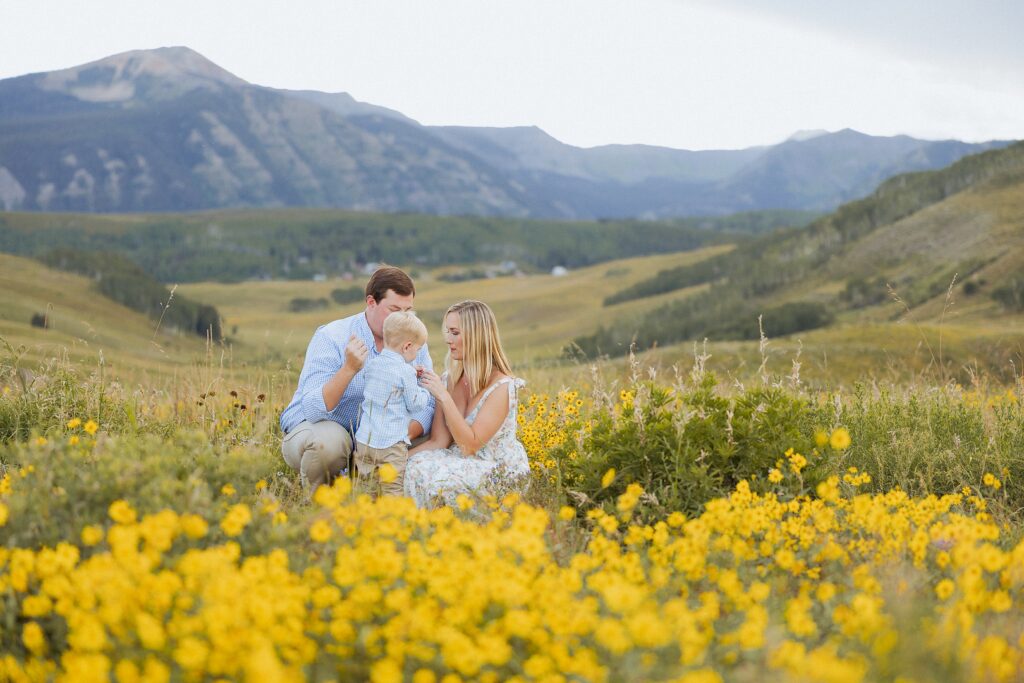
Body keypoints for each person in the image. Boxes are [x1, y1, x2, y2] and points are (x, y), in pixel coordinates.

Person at [280, 266, 434, 493]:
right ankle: (318, 506)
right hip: (324, 429)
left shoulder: (412, 340)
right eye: (394, 310)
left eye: (407, 311)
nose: (402, 319)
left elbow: (428, 403)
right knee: (329, 446)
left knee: (438, 442)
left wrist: (394, 438)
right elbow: (313, 410)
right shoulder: (332, 336)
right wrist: (349, 369)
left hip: (384, 438)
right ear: (371, 302)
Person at [404, 300, 530, 508]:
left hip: (496, 469)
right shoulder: (450, 379)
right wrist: (396, 462)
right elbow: (438, 441)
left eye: (454, 332)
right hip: (459, 462)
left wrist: (444, 397)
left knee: (437, 479)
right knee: (414, 466)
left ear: (475, 336)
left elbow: (469, 445)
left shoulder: (502, 386)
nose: (447, 339)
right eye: (447, 332)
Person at [353, 311, 431, 497]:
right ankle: (392, 522)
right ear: (407, 346)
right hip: (391, 444)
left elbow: (386, 382)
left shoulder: (372, 364)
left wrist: (410, 372)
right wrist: (423, 389)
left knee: (366, 488)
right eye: (417, 350)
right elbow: (415, 405)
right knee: (392, 489)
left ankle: (364, 520)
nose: (417, 353)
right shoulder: (406, 372)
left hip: (365, 439)